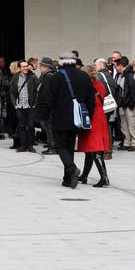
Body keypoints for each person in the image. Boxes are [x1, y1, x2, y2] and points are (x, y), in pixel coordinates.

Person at [41, 52, 95, 189]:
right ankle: (67, 179)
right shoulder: (84, 76)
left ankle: (72, 170)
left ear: (62, 62)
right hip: (78, 119)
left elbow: (49, 100)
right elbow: (91, 99)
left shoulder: (57, 77)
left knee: (60, 146)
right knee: (69, 147)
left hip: (61, 117)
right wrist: (88, 116)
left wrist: (44, 116)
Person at [78, 65, 110, 187]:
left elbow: (88, 103)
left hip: (92, 117)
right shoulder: (100, 85)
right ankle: (84, 176)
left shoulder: (86, 87)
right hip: (100, 116)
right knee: (90, 149)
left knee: (95, 148)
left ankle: (104, 178)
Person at [9, 60, 39, 153]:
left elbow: (39, 90)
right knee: (21, 126)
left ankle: (30, 145)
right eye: (23, 66)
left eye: (26, 66)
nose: (25, 68)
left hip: (30, 106)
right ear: (19, 68)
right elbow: (12, 92)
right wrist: (15, 104)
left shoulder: (33, 77)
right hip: (20, 106)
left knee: (30, 126)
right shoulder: (15, 78)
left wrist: (35, 103)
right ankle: (23, 145)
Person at [114, 57, 135, 151]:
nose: (115, 68)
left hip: (129, 104)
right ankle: (127, 142)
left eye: (115, 66)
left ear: (120, 66)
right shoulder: (121, 75)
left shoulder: (129, 75)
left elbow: (133, 90)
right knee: (124, 125)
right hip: (122, 104)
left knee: (132, 124)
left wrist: (131, 103)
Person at [36, 57, 57, 155]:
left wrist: (44, 107)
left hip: (47, 107)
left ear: (45, 67)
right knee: (47, 126)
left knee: (48, 126)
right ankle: (51, 145)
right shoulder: (48, 75)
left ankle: (53, 146)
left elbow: (45, 93)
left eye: (41, 65)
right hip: (48, 106)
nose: (39, 67)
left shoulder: (48, 76)